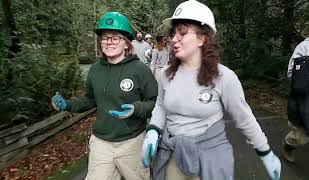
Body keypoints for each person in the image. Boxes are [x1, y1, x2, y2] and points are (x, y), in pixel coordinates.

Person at [141, 1, 281, 180]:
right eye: (173, 33)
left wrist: (265, 152)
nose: (174, 38)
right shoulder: (167, 74)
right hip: (175, 155)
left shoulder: (224, 77)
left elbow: (244, 118)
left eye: (182, 32)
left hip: (210, 159)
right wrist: (153, 131)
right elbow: (160, 106)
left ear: (202, 38)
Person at [51, 12, 158, 180]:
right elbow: (89, 100)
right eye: (105, 37)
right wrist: (67, 104)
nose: (109, 42)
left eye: (115, 37)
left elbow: (155, 103)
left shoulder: (140, 70)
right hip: (101, 142)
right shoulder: (95, 70)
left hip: (132, 141)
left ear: (126, 43)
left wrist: (136, 109)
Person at [283, 7, 309, 163]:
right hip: (306, 100)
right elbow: (292, 73)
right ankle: (288, 146)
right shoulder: (305, 47)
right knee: (301, 136)